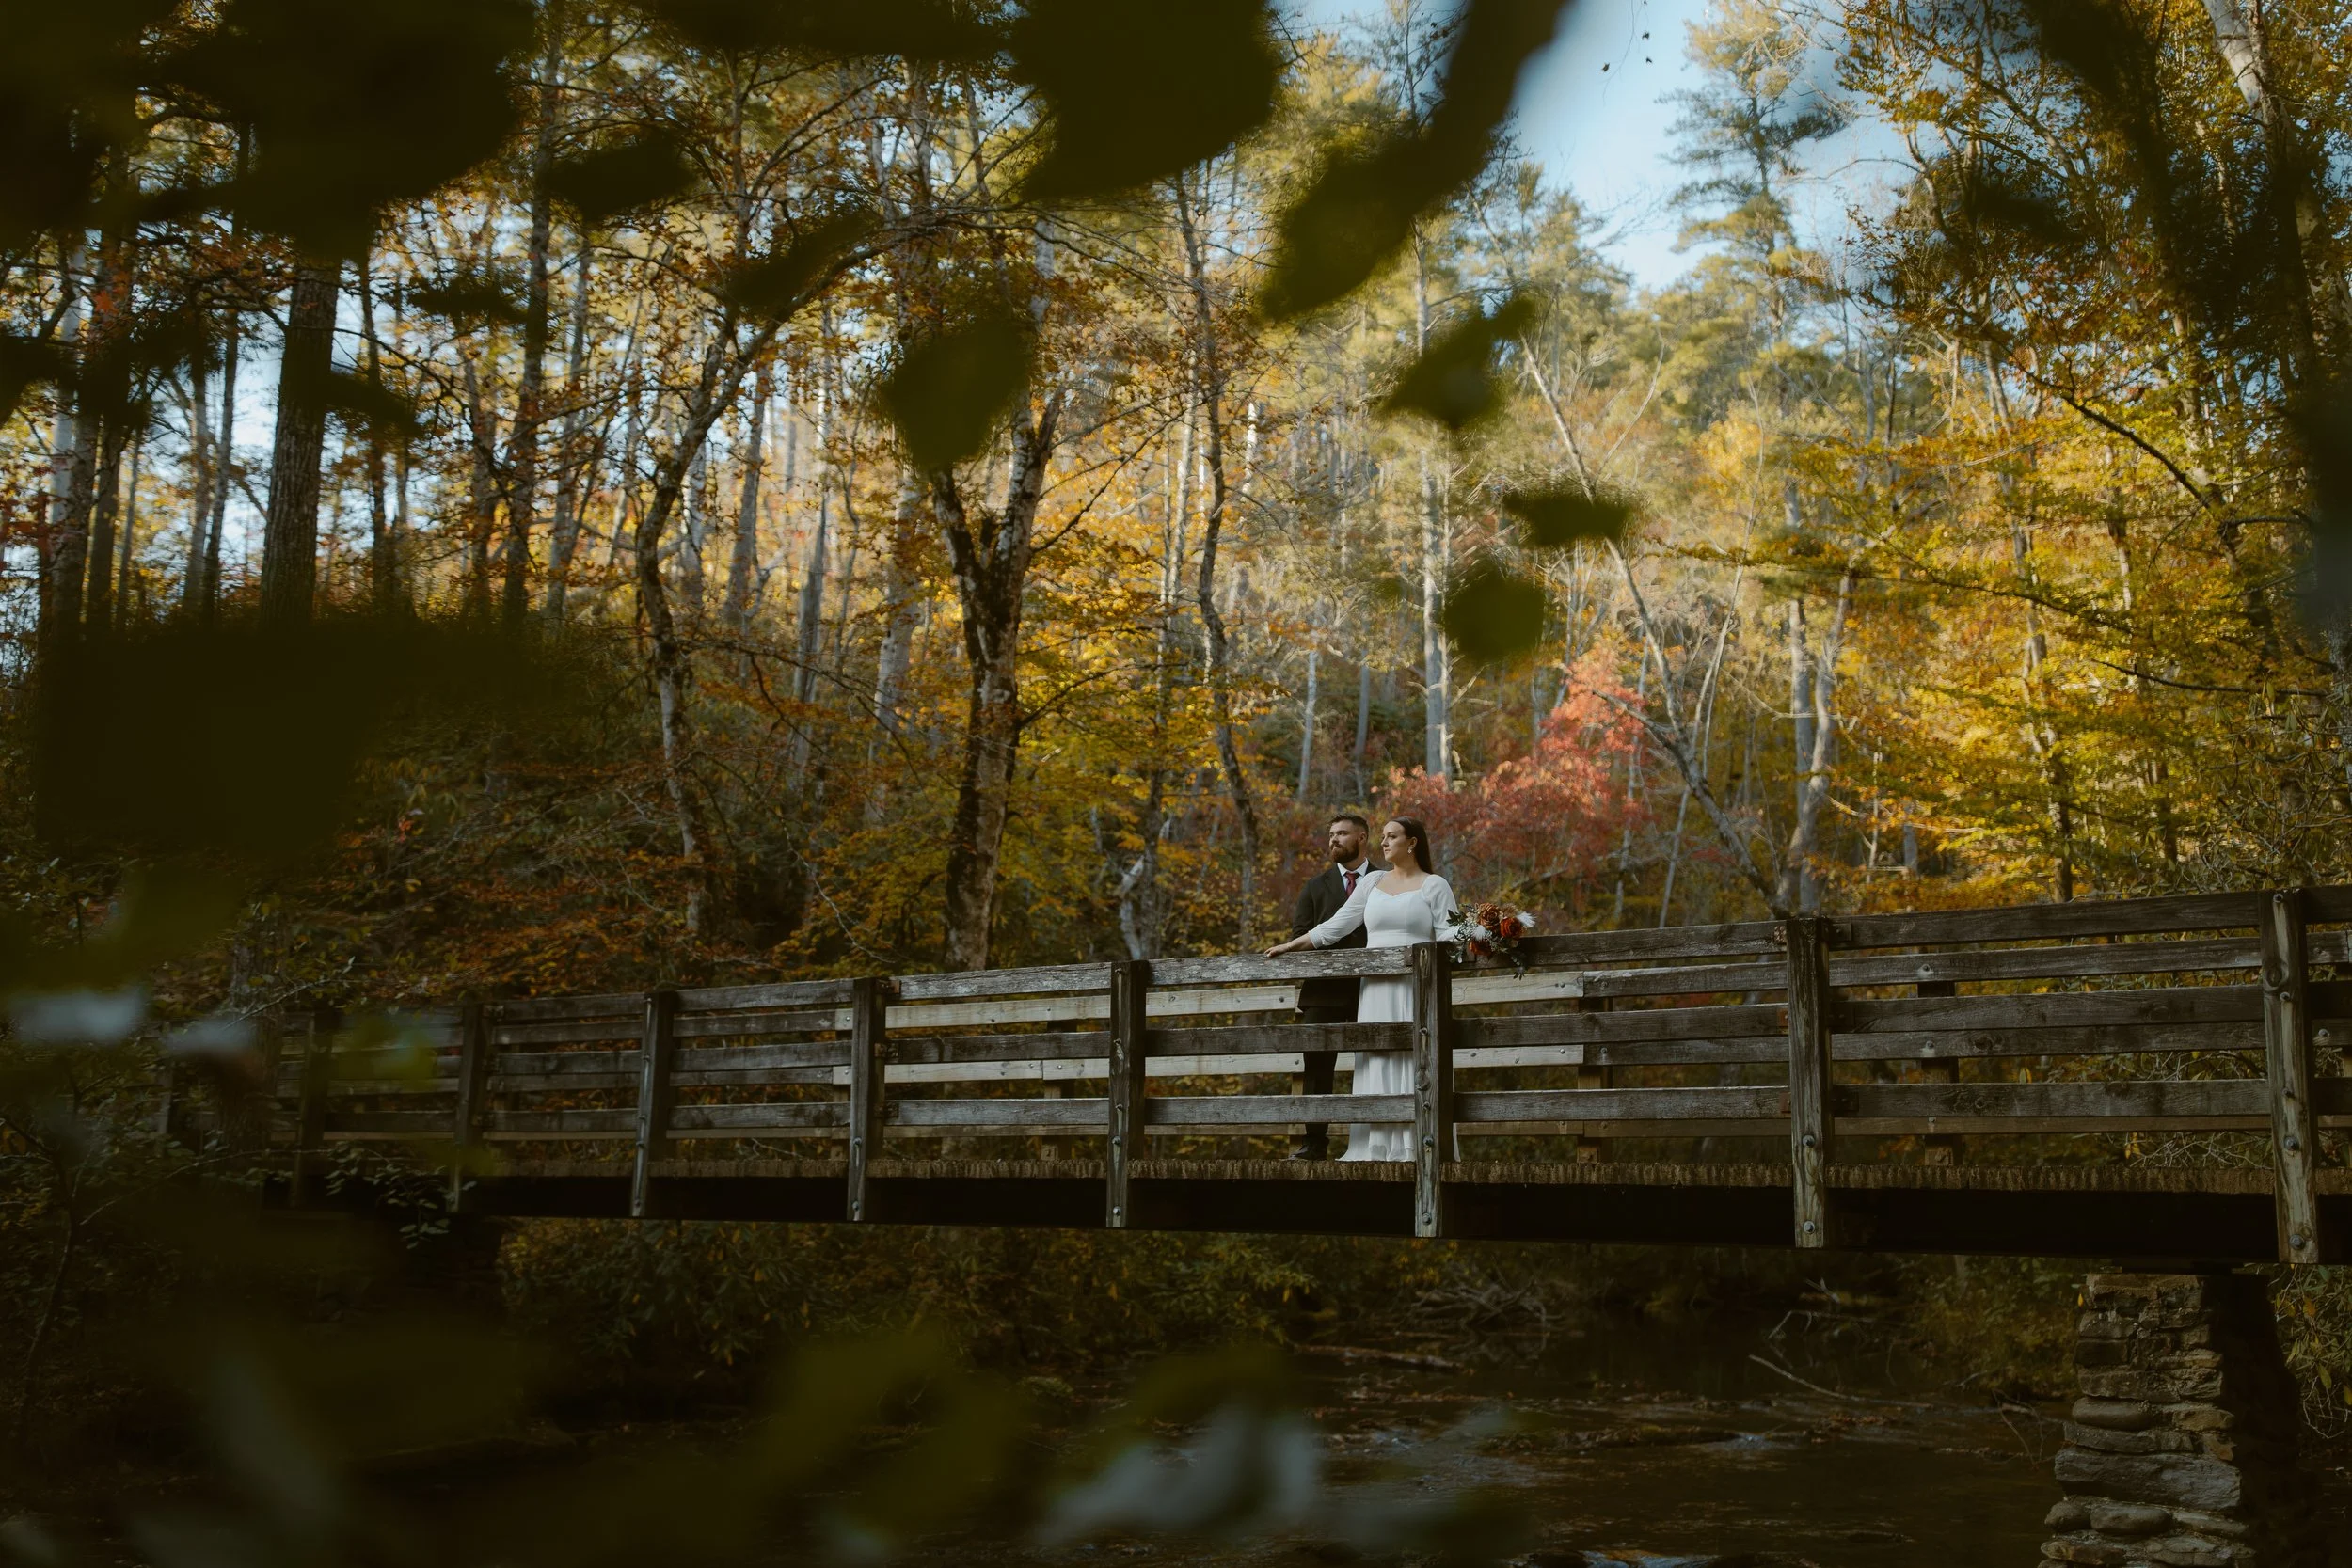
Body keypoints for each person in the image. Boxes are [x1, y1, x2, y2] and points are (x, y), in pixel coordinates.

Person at [1264, 816, 1458, 1162]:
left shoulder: (1434, 885)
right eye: (1382, 837)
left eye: (1392, 836)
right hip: (1375, 989)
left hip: (1414, 985)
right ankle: (1373, 1145)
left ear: (1412, 843)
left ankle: (1418, 1143)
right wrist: (1292, 946)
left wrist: (1480, 936)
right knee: (1373, 1057)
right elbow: (1337, 924)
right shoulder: (1373, 883)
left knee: (1414, 1055)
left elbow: (1447, 933)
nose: (1384, 843)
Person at [1283, 814, 1381, 1159]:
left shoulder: (1387, 881)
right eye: (1331, 835)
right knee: (1317, 1068)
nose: (1334, 840)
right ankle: (1314, 1142)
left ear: (1363, 837)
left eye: (1342, 833)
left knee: (1377, 1063)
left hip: (1373, 989)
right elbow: (1299, 937)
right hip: (1323, 992)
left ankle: (1378, 1141)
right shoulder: (1315, 886)